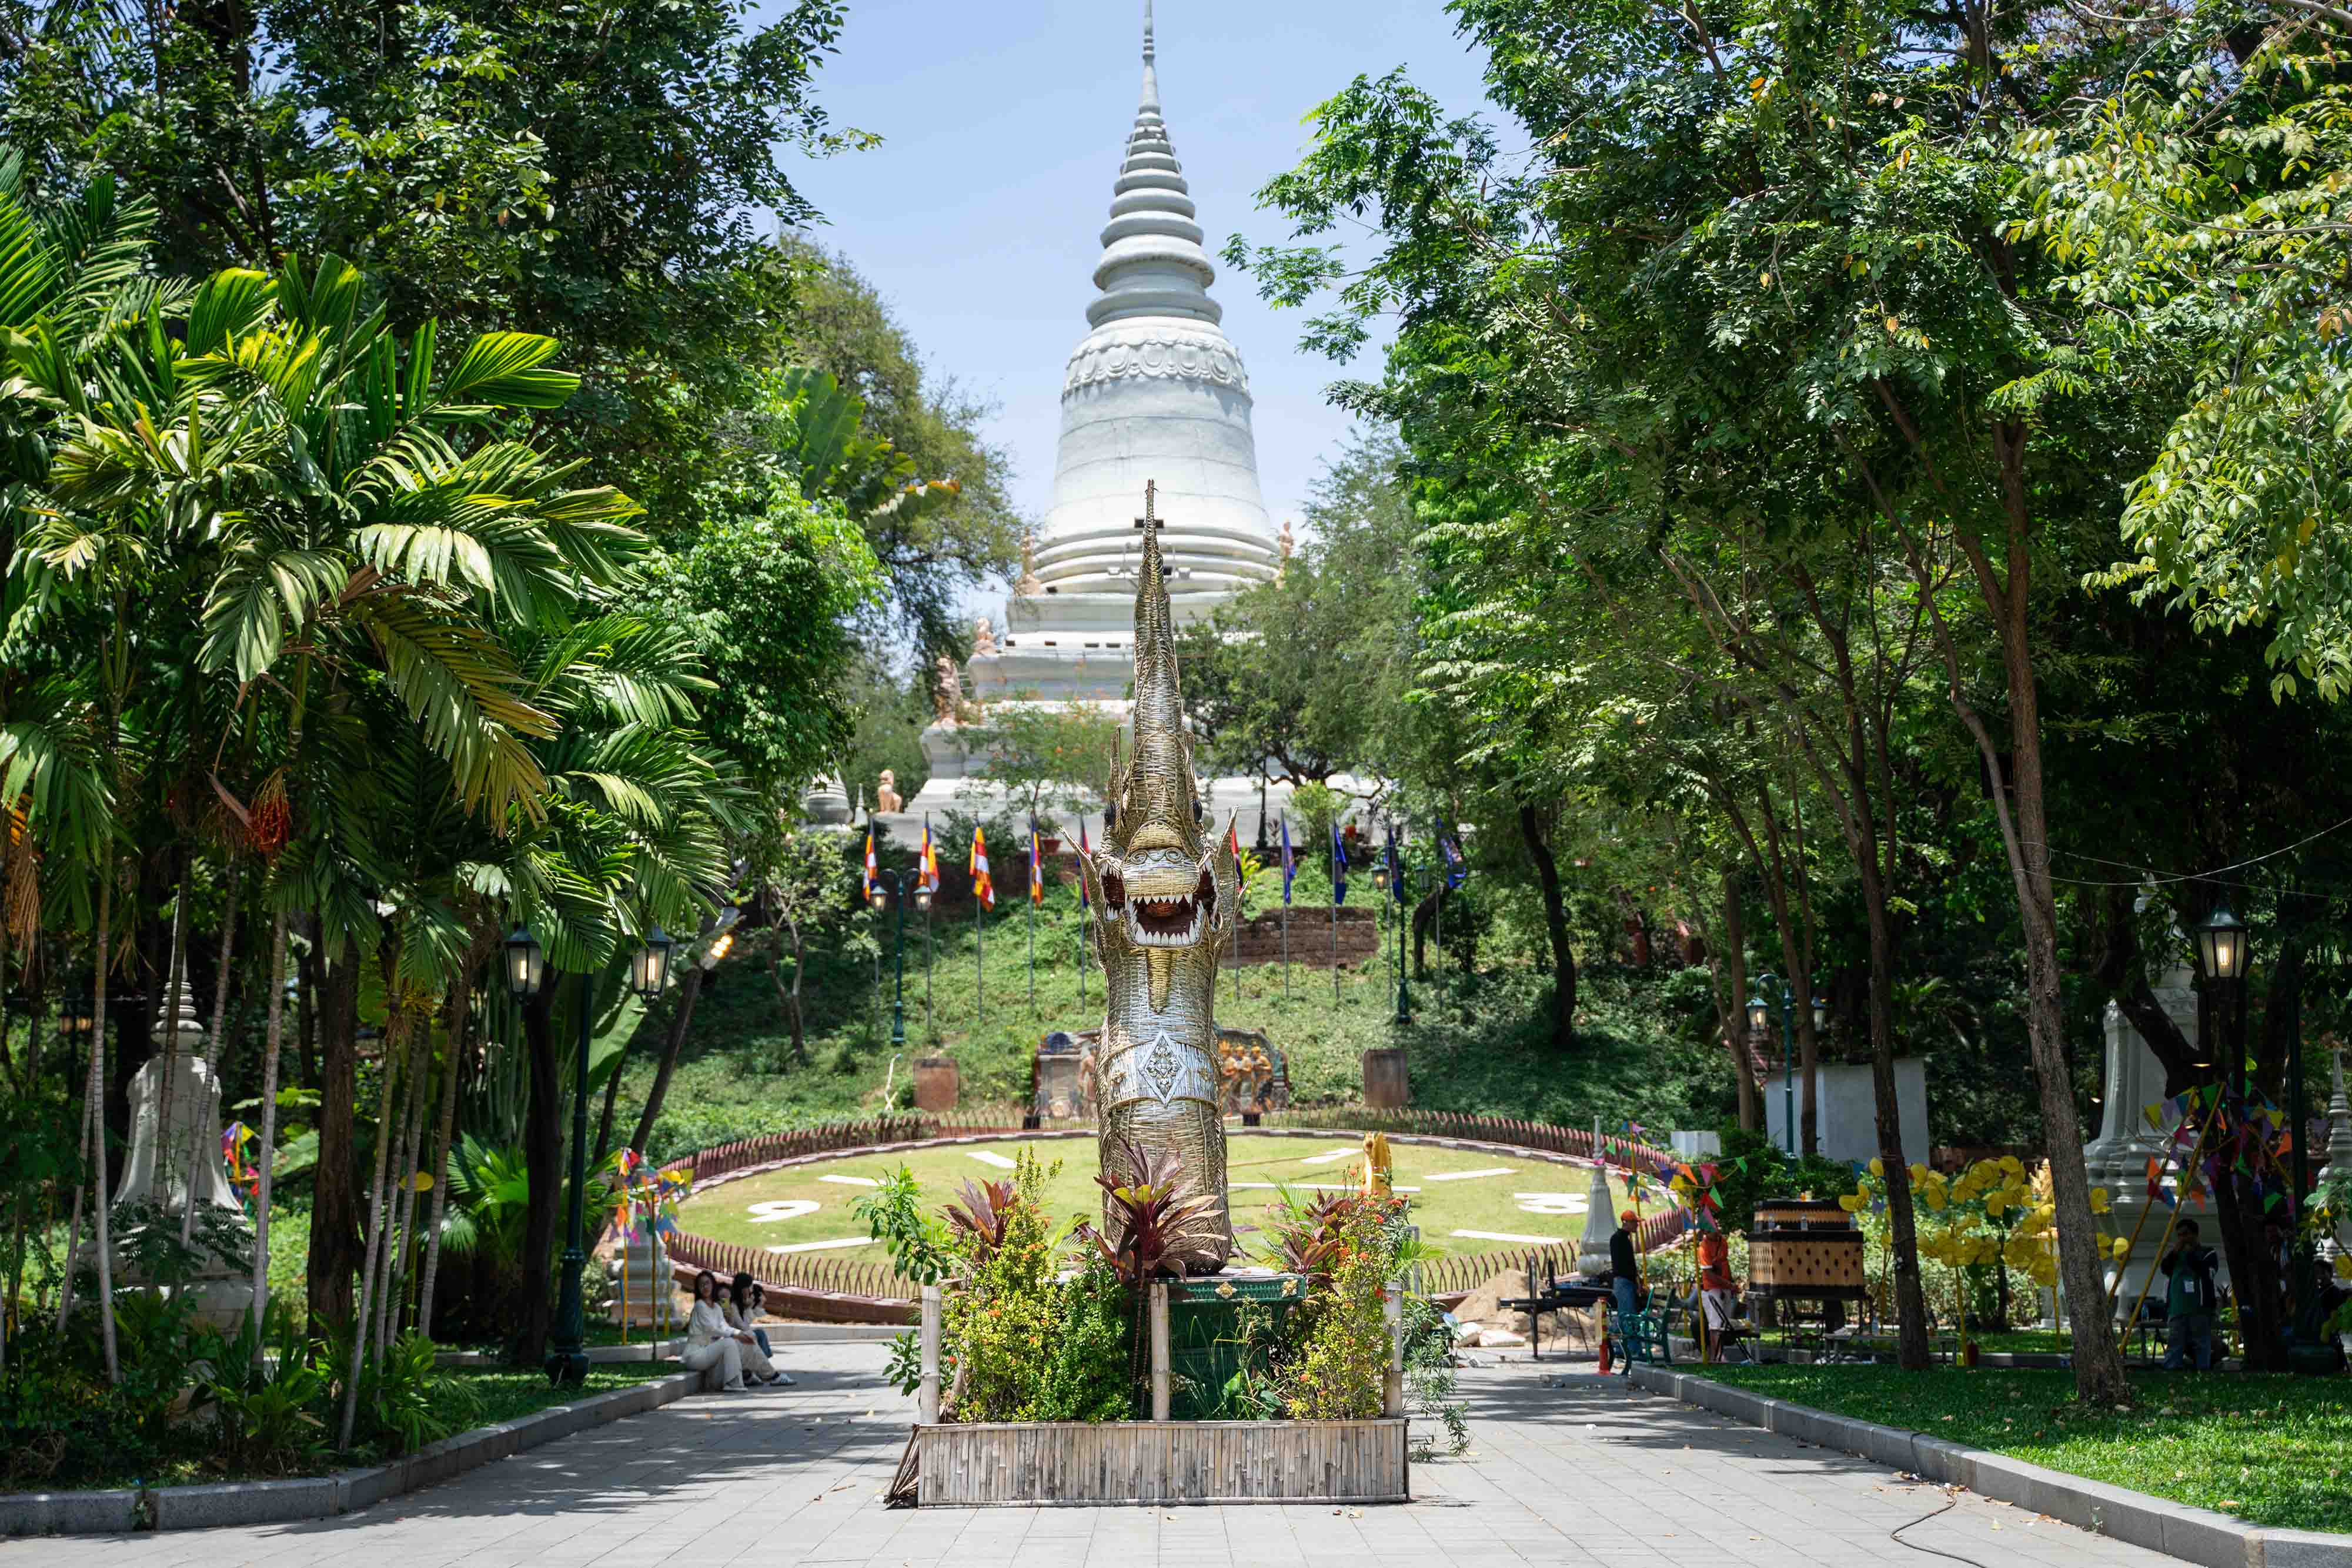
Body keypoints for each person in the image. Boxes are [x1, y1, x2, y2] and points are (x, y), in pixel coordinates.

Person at [2159, 1220, 2221, 1371]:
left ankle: (2203, 1370)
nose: (2182, 1238)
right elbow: (2165, 1268)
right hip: (2177, 1307)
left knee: (2201, 1342)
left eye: (2186, 1234)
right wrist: (2175, 1252)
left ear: (2195, 1234)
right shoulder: (2176, 1255)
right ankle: (2172, 1369)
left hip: (2199, 1307)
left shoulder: (2208, 1253)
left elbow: (2206, 1272)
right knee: (2175, 1342)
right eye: (2179, 1235)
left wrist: (2189, 1253)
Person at [681, 1271, 749, 1392]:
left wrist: (739, 1333)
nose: (705, 1287)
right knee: (728, 1343)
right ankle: (733, 1383)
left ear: (713, 1285)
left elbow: (724, 1326)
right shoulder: (700, 1305)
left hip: (707, 1351)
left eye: (708, 1283)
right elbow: (711, 1329)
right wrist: (735, 1334)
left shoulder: (717, 1307)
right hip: (695, 1355)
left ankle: (737, 1379)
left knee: (735, 1342)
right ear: (698, 1288)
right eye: (701, 1285)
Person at [727, 1272, 792, 1387]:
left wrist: (753, 1306)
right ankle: (768, 1374)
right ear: (743, 1288)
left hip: (740, 1340)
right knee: (753, 1335)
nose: (752, 1290)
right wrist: (748, 1308)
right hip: (734, 1341)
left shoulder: (742, 1304)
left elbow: (750, 1323)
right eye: (750, 1286)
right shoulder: (733, 1305)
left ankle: (755, 1372)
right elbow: (743, 1327)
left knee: (759, 1333)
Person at [1696, 1228, 1740, 1362]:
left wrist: (1731, 1284)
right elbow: (1709, 1275)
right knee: (1715, 1324)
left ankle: (1718, 1354)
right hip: (1712, 1288)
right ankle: (1716, 1356)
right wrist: (1729, 1285)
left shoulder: (1723, 1242)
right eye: (1711, 1231)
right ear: (1705, 1232)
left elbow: (1725, 1263)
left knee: (1724, 1324)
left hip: (1726, 1287)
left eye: (1716, 1230)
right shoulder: (1703, 1248)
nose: (1715, 1233)